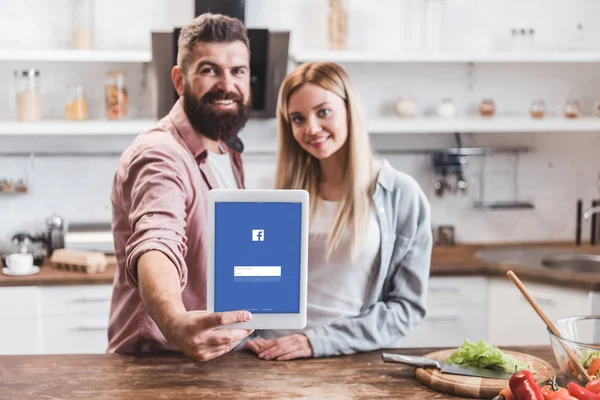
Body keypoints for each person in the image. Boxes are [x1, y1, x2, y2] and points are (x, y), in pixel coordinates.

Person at [243, 62, 433, 360]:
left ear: (349, 110)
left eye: (323, 112)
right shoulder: (273, 192)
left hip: (351, 359)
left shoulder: (400, 194)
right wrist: (247, 334)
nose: (312, 128)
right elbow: (252, 288)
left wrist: (317, 341)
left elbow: (406, 309)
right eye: (298, 118)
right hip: (271, 356)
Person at [107, 13, 255, 361]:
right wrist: (174, 321)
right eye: (209, 70)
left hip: (212, 359)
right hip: (158, 363)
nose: (227, 84)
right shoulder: (160, 154)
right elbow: (157, 240)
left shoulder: (227, 148)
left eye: (238, 71)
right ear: (179, 79)